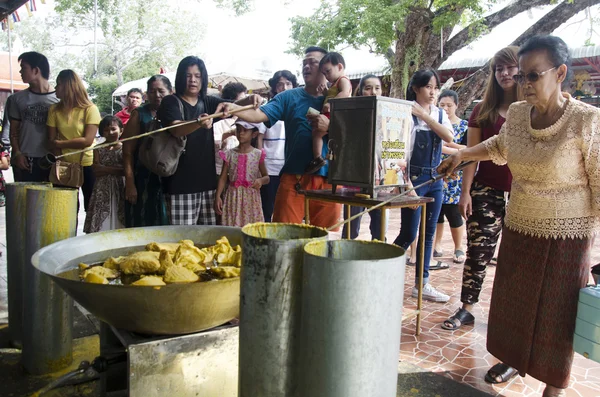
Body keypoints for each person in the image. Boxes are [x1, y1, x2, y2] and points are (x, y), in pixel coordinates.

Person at [438, 35, 600, 397]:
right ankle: (514, 361)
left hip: (567, 236)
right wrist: (463, 156)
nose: (524, 84)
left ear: (559, 73)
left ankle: (553, 386)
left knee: (557, 316)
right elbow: (499, 145)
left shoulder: (587, 121)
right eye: (522, 76)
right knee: (516, 305)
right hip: (521, 225)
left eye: (533, 75)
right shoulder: (518, 114)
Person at [440, 47, 520, 358]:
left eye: (510, 67)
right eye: (499, 68)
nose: (505, 74)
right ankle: (467, 308)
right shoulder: (481, 111)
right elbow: (470, 156)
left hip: (525, 195)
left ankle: (508, 319)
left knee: (515, 259)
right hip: (486, 191)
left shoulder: (529, 110)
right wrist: (465, 193)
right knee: (478, 251)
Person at [216, 46, 341, 229]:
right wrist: (232, 108)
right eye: (304, 63)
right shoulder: (288, 97)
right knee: (284, 236)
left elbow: (352, 135)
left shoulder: (340, 97)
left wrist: (330, 126)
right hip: (293, 179)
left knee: (323, 238)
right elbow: (258, 115)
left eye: (313, 62)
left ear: (327, 66)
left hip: (328, 179)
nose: (306, 67)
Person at [158, 56, 246, 225]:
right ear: (180, 77)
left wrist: (251, 100)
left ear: (203, 78)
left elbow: (234, 105)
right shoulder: (171, 102)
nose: (192, 80)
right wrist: (198, 123)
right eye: (188, 75)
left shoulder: (208, 101)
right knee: (182, 241)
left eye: (197, 76)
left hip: (208, 184)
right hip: (180, 185)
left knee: (208, 239)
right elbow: (176, 129)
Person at [392, 69, 454, 302]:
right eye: (428, 87)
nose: (433, 92)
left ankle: (422, 284)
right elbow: (398, 153)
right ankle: (383, 269)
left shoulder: (438, 114)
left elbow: (449, 137)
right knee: (408, 232)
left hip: (435, 180)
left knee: (428, 234)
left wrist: (427, 116)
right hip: (414, 179)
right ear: (416, 88)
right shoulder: (405, 114)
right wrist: (407, 185)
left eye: (435, 87)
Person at [47, 69, 102, 211]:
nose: (55, 88)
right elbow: (51, 140)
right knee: (66, 208)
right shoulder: (54, 109)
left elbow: (88, 140)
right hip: (64, 164)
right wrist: (61, 158)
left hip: (87, 163)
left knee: (91, 206)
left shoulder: (90, 109)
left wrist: (60, 143)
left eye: (58, 84)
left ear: (68, 86)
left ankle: (92, 234)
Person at [341, 74, 386, 240]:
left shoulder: (387, 115)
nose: (373, 91)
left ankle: (378, 261)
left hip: (378, 178)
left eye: (377, 88)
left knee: (379, 227)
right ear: (360, 91)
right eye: (368, 88)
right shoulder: (352, 113)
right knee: (351, 226)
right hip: (355, 177)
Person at [123, 75, 172, 227]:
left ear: (170, 92)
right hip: (143, 179)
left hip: (169, 179)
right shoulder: (139, 114)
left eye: (161, 91)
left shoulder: (175, 113)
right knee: (142, 224)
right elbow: (127, 151)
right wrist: (130, 183)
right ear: (146, 94)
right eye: (152, 91)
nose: (156, 95)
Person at [9, 52, 59, 182]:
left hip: (52, 158)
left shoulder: (59, 99)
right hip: (26, 159)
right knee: (26, 200)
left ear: (36, 70)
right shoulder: (16, 99)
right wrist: (17, 153)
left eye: (24, 67)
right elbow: (13, 131)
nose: (20, 72)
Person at [433, 89, 468, 264]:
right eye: (442, 105)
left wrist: (450, 146)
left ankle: (458, 247)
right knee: (437, 212)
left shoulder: (464, 126)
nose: (445, 108)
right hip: (437, 174)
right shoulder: (436, 123)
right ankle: (437, 245)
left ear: (456, 105)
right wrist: (452, 148)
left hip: (455, 176)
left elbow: (468, 149)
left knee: (453, 213)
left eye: (449, 105)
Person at [257, 70, 297, 222]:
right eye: (280, 84)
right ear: (274, 88)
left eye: (288, 84)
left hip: (289, 167)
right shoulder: (269, 110)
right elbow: (259, 138)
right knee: (268, 208)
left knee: (287, 209)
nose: (284, 88)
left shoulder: (297, 109)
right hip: (270, 168)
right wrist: (261, 165)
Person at [215, 120, 269, 227]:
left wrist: (260, 180)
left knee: (251, 228)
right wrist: (218, 196)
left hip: (251, 199)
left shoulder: (258, 154)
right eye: (238, 130)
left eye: (245, 130)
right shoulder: (229, 154)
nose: (240, 133)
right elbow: (223, 178)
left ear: (254, 134)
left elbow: (267, 177)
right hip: (233, 197)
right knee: (232, 226)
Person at [305, 51, 352, 174]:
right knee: (316, 132)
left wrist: (330, 103)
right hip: (331, 113)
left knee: (317, 133)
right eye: (324, 73)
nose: (326, 76)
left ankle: (318, 158)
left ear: (340, 67)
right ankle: (319, 157)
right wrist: (326, 92)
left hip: (335, 114)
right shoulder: (334, 84)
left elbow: (345, 93)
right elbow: (333, 94)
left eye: (328, 71)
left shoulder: (343, 80)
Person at [84, 116, 125, 233]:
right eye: (106, 130)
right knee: (101, 214)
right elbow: (96, 170)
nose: (110, 133)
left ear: (121, 130)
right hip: (101, 188)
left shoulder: (125, 148)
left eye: (113, 129)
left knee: (120, 213)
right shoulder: (98, 148)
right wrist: (114, 169)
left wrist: (104, 168)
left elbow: (125, 170)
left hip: (120, 186)